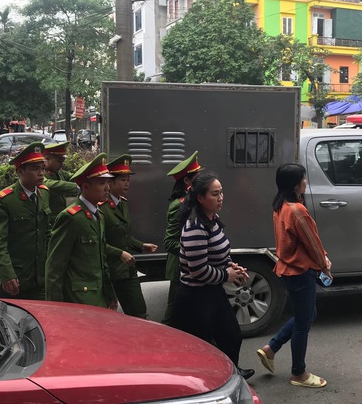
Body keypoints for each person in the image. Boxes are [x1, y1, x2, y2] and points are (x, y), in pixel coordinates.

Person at [256, 163, 331, 388]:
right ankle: (298, 373)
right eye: (303, 179)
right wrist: (324, 264)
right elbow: (313, 244)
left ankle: (271, 348)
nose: (305, 182)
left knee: (307, 314)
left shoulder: (280, 206)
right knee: (302, 323)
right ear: (295, 184)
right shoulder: (297, 210)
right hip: (300, 272)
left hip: (287, 270)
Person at [174, 170, 255, 380]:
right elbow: (198, 270)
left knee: (232, 336)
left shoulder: (213, 220)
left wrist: (232, 267)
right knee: (201, 346)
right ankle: (208, 385)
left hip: (213, 291)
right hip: (196, 297)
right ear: (200, 198)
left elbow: (218, 254)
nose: (220, 198)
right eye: (214, 194)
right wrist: (225, 275)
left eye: (221, 192)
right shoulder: (195, 227)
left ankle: (230, 375)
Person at [45, 153, 118, 309]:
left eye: (108, 182)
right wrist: (56, 308)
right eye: (102, 183)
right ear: (85, 187)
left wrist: (110, 294)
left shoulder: (99, 215)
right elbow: (55, 268)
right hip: (79, 300)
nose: (108, 188)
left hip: (98, 297)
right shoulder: (71, 218)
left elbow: (101, 261)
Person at [0, 142, 51, 300]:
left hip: (38, 278)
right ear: (20, 171)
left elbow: (46, 233)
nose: (41, 173)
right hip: (11, 279)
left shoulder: (44, 194)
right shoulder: (5, 200)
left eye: (42, 168)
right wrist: (7, 275)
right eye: (35, 169)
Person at [102, 154, 157, 318]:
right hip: (109, 271)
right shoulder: (102, 208)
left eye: (128, 179)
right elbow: (98, 242)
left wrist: (141, 245)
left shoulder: (123, 203)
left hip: (128, 269)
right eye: (122, 180)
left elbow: (124, 236)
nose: (127, 183)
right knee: (107, 315)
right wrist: (119, 253)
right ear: (110, 183)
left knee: (139, 313)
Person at [161, 150, 201, 327]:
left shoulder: (193, 200)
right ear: (187, 181)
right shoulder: (178, 205)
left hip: (191, 267)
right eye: (197, 177)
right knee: (173, 313)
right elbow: (169, 242)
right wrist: (192, 252)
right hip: (180, 267)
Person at [43, 141, 78, 225]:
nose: (61, 165)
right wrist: (76, 187)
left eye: (63, 161)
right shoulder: (40, 173)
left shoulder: (58, 172)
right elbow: (48, 183)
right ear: (47, 159)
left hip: (59, 218)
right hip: (48, 220)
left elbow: (73, 176)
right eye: (59, 161)